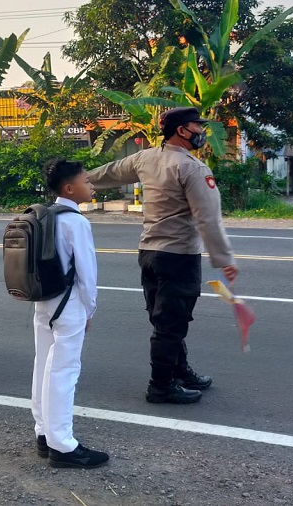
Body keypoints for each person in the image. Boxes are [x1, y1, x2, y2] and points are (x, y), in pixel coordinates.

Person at [86, 106, 238, 404]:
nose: (201, 132)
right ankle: (161, 386)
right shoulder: (193, 168)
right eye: (197, 126)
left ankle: (180, 372)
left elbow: (107, 173)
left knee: (165, 320)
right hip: (179, 256)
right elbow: (207, 218)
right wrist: (224, 259)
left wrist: (73, 184)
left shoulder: (145, 158)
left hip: (149, 254)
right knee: (171, 324)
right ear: (182, 130)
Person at [32, 160, 108, 469]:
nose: (91, 186)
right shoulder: (76, 222)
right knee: (64, 371)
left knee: (43, 365)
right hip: (69, 304)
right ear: (69, 188)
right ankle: (62, 445)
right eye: (85, 181)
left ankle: (43, 432)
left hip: (43, 302)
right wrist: (89, 310)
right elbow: (87, 275)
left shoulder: (43, 214)